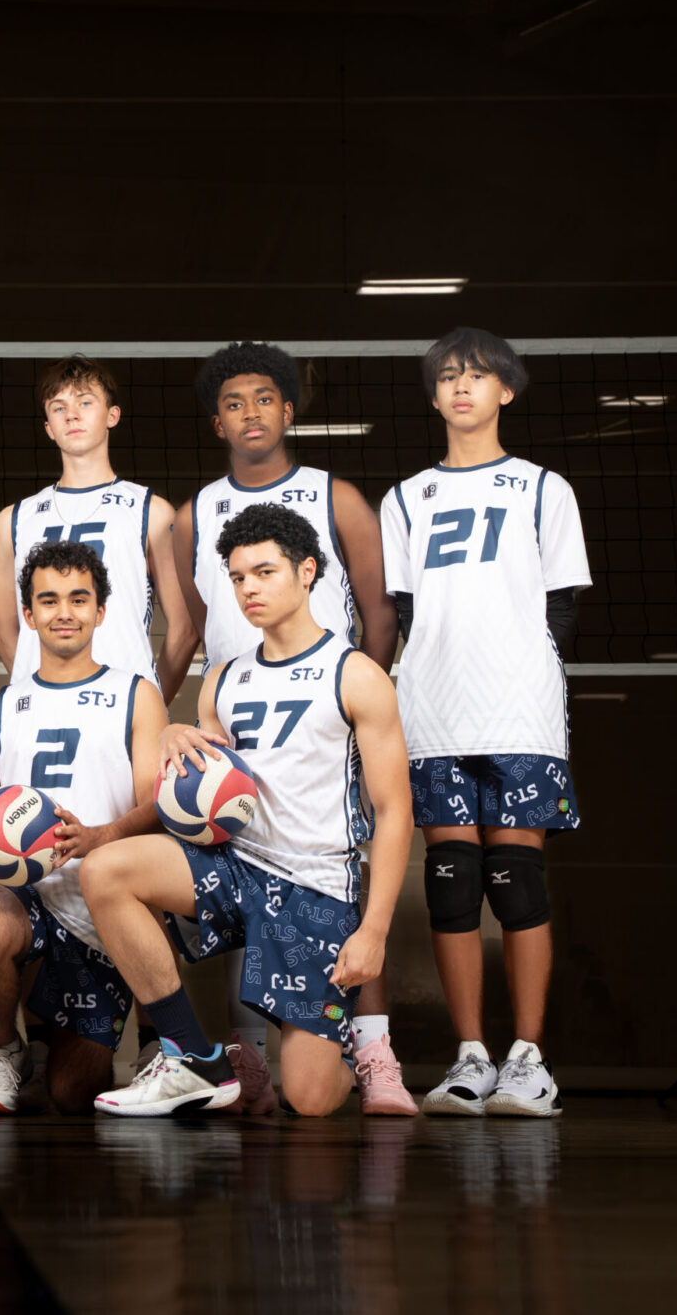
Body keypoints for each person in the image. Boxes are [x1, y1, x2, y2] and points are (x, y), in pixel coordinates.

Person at [82, 502, 412, 1117]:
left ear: (307, 571)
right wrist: (173, 740)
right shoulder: (224, 678)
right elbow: (204, 792)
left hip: (313, 885)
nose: (248, 589)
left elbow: (395, 813)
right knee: (105, 870)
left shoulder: (356, 674)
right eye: (237, 577)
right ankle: (195, 1058)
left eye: (264, 572)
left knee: (310, 1101)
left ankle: (357, 1053)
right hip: (233, 868)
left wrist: (374, 932)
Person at [174, 340, 415, 1115]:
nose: (251, 413)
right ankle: (238, 1051)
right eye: (234, 401)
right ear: (217, 421)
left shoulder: (333, 494)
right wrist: (162, 713)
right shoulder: (197, 510)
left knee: (334, 859)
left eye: (264, 398)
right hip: (238, 711)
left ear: (288, 409)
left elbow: (378, 609)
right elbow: (189, 625)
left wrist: (344, 686)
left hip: (321, 710)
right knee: (237, 858)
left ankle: (371, 1049)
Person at [380, 328, 590, 1118]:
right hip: (432, 712)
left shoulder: (543, 488)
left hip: (519, 714)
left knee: (519, 879)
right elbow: (399, 610)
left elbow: (561, 603)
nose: (463, 387)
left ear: (507, 390)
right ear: (433, 397)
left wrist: (524, 671)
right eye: (448, 377)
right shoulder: (404, 497)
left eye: (479, 375)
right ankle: (469, 1057)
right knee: (451, 884)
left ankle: (529, 1059)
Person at [0, 540, 166, 1113]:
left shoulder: (136, 695)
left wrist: (97, 838)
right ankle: (3, 1053)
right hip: (22, 889)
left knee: (73, 1093)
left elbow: (156, 807)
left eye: (79, 599)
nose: (64, 612)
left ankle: (98, 1047)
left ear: (101, 611)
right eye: (48, 600)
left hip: (102, 892)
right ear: (28, 614)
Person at [0, 355, 196, 703]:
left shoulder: (152, 511)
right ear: (48, 428)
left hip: (125, 706)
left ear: (112, 415)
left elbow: (185, 630)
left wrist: (148, 704)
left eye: (85, 402)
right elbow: (9, 632)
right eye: (59, 407)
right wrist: (35, 685)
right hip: (38, 708)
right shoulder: (13, 519)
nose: (72, 414)